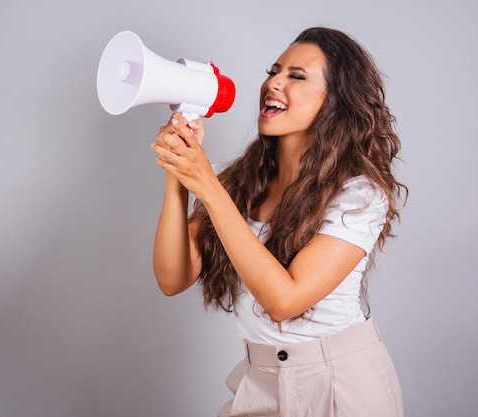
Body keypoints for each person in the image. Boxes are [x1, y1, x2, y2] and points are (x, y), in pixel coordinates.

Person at [150, 26, 406, 417]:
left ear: (335, 101)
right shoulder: (235, 182)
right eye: (274, 71)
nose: (273, 83)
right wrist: (179, 176)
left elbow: (284, 301)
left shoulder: (359, 194)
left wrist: (206, 186)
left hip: (340, 383)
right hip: (262, 378)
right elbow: (172, 278)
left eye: (296, 76)